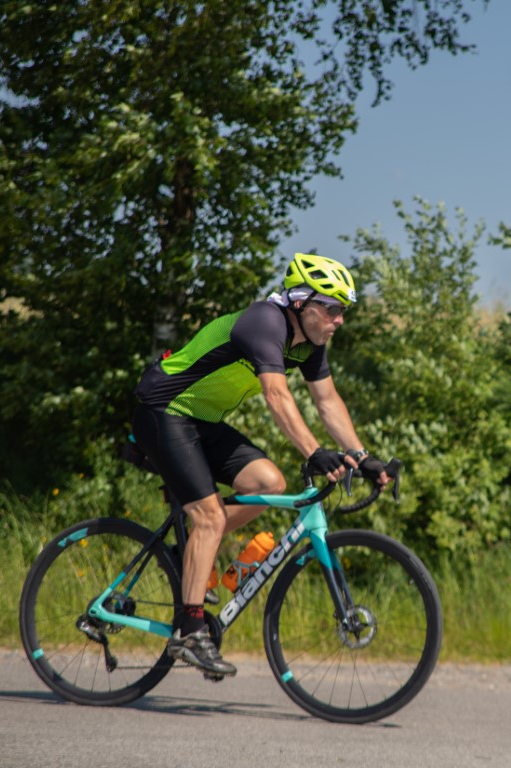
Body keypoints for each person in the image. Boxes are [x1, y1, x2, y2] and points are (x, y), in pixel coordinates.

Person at [131, 253, 390, 677]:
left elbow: (327, 401)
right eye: (332, 308)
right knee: (211, 517)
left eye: (343, 310)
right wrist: (314, 452)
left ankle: (186, 553)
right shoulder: (264, 323)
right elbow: (276, 395)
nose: (339, 319)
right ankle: (189, 633)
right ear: (302, 302)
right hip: (163, 410)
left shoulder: (308, 344)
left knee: (268, 482)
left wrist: (362, 457)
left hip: (201, 420)